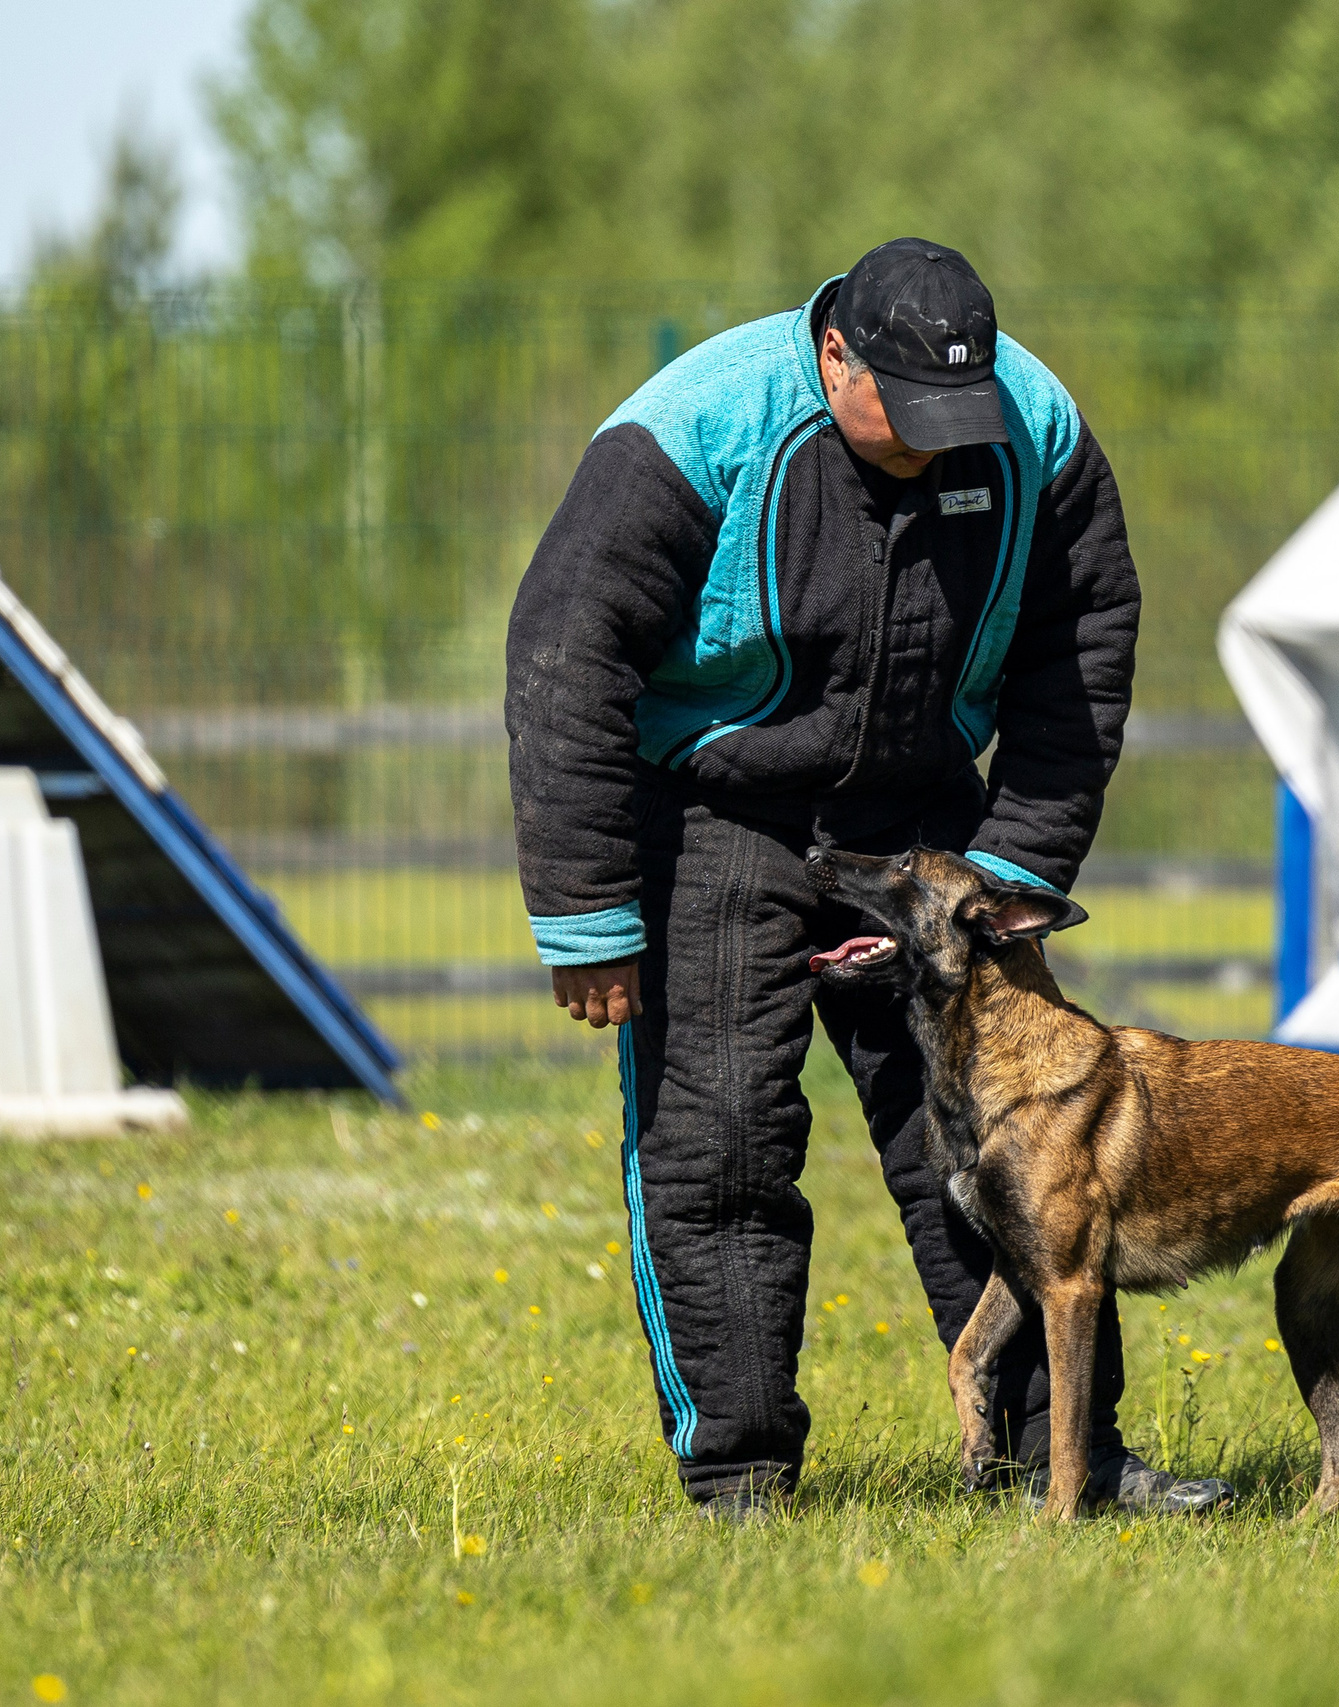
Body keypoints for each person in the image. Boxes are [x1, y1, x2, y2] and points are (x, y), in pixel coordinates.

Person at [507, 237, 1227, 1521]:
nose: (935, 444)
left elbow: (1082, 648)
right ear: (835, 351)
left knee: (1018, 1136)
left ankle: (1070, 1461)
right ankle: (739, 1475)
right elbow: (566, 650)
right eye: (906, 414)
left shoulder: (1033, 426)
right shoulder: (697, 427)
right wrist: (587, 913)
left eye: (961, 417)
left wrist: (1006, 872)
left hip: (930, 824)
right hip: (721, 809)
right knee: (716, 1140)